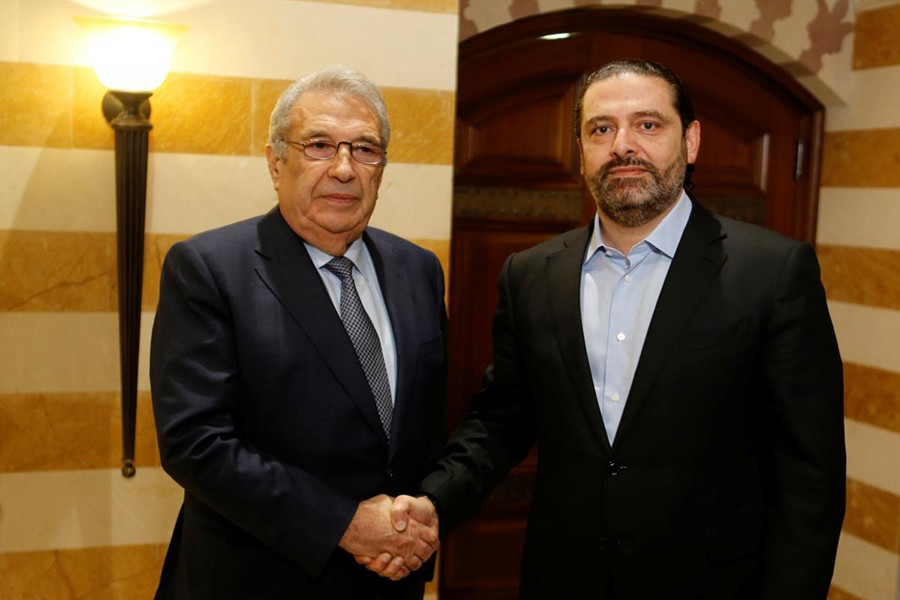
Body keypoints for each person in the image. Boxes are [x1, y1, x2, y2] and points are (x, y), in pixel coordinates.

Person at [385, 59, 847, 598]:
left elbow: (810, 473)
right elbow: (502, 422)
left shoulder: (772, 271)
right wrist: (432, 504)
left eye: (648, 125)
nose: (623, 145)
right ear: (581, 151)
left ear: (691, 140)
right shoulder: (531, 275)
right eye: (601, 129)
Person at [149, 65, 446, 599]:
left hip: (388, 581)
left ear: (381, 167)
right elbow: (196, 443)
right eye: (319, 145)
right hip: (255, 580)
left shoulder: (417, 269)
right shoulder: (210, 269)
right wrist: (343, 524)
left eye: (365, 149)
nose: (343, 168)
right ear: (275, 161)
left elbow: (427, 427)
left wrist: (419, 516)